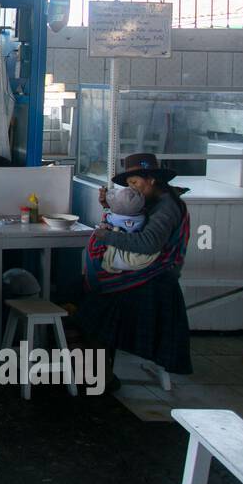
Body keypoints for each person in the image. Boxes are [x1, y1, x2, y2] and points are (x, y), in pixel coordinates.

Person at [78, 153, 193, 392]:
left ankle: (101, 377)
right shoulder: (155, 200)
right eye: (129, 186)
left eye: (135, 184)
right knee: (87, 300)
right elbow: (134, 219)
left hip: (154, 281)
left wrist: (107, 235)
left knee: (95, 311)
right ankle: (98, 373)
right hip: (141, 276)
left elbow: (148, 243)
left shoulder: (167, 208)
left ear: (151, 180)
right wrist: (110, 207)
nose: (133, 190)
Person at [100, 185, 157, 274]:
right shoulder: (143, 218)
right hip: (138, 250)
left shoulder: (113, 218)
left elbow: (105, 222)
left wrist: (104, 223)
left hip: (118, 248)